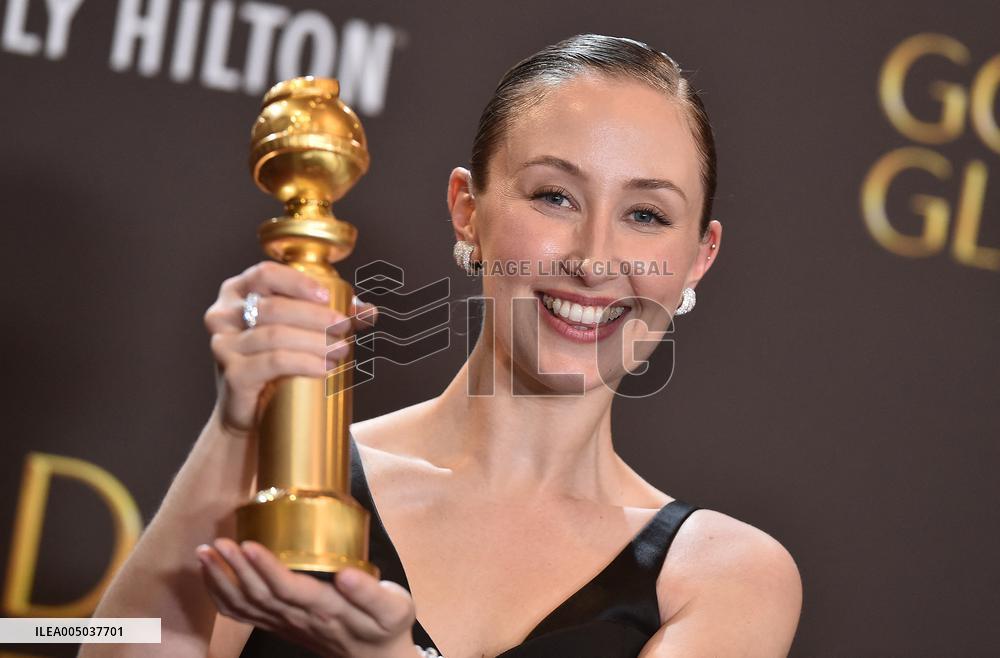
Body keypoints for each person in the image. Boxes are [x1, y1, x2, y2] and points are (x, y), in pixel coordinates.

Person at [81, 33, 802, 658]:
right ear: (467, 211)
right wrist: (237, 426)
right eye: (554, 197)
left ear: (699, 257)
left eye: (645, 214)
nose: (593, 260)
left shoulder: (722, 574)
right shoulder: (293, 483)